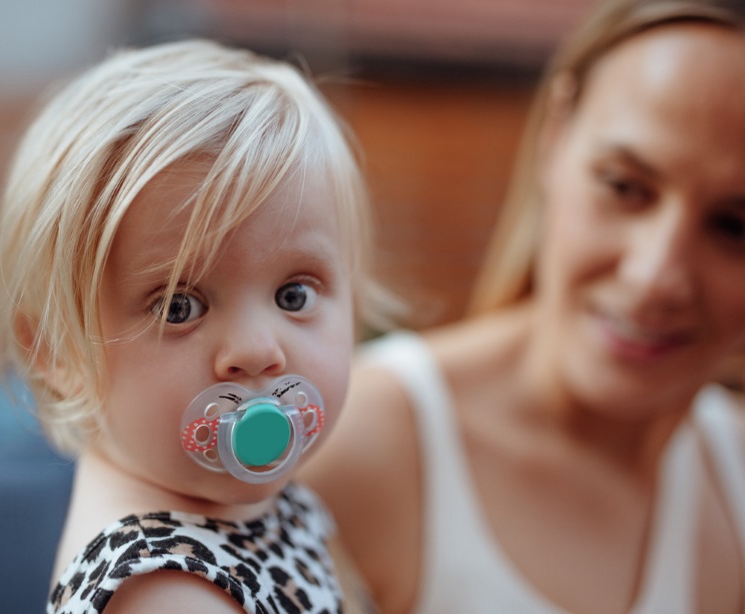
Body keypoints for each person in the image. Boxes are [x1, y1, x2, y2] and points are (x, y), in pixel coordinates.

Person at [301, 0, 745, 612]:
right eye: (624, 186)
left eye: (733, 226)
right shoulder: (352, 447)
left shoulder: (734, 479)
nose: (656, 277)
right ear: (555, 137)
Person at [0, 39, 381, 613]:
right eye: (178, 306)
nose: (255, 350)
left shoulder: (244, 506)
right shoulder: (165, 593)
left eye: (292, 295)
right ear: (56, 352)